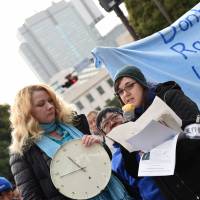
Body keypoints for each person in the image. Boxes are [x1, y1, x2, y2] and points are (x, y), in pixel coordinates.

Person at [9, 84, 133, 200]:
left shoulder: (76, 124)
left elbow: (106, 159)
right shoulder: (23, 151)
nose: (49, 106)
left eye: (50, 100)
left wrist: (100, 144)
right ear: (27, 112)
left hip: (113, 192)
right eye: (41, 104)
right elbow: (31, 196)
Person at [113, 65, 200, 200]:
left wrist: (170, 143)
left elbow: (196, 130)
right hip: (178, 193)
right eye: (120, 92)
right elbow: (135, 171)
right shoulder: (131, 123)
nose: (126, 94)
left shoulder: (169, 96)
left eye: (129, 86)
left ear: (142, 83)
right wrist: (126, 136)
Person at [96, 107, 165, 200]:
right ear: (104, 134)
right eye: (106, 124)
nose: (112, 123)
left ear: (124, 116)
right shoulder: (115, 163)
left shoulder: (149, 130)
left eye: (115, 117)